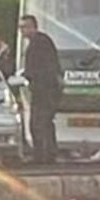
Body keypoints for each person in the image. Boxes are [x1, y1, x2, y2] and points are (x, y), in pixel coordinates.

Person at [18, 15, 62, 164]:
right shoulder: (40, 42)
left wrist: (27, 75)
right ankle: (47, 154)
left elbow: (42, 67)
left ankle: (43, 155)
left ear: (32, 26)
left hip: (45, 90)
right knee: (44, 123)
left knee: (39, 123)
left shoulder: (39, 43)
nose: (21, 31)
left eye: (23, 27)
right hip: (43, 89)